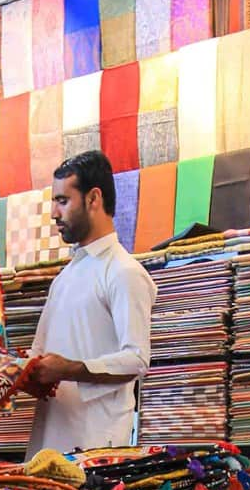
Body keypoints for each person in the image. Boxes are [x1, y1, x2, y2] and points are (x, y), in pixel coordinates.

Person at [25, 150, 158, 459]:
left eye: (62, 200)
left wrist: (68, 369)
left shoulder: (124, 272)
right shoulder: (65, 277)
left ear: (93, 199)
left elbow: (136, 359)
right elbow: (38, 354)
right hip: (49, 439)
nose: (54, 214)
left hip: (96, 444)